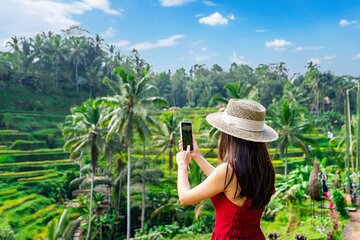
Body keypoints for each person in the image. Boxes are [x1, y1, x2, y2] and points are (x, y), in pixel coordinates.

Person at [176, 99, 278, 239]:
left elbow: (184, 198)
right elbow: (225, 183)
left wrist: (182, 166)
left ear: (229, 136)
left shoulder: (227, 172)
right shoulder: (264, 168)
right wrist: (197, 156)